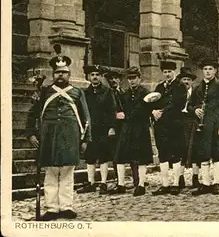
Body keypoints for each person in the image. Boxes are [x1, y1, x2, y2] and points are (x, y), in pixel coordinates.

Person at [26, 54, 91, 221]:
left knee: (68, 173)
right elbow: (32, 114)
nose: (60, 75)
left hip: (70, 139)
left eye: (64, 72)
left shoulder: (77, 93)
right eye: (57, 73)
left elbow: (86, 118)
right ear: (53, 74)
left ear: (69, 74)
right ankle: (52, 208)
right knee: (51, 174)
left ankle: (66, 207)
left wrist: (85, 139)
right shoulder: (44, 92)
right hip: (49, 139)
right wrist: (31, 133)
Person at [189, 59, 219, 196]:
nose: (207, 71)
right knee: (203, 154)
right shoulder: (197, 88)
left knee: (217, 154)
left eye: (210, 69)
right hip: (202, 127)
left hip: (216, 125)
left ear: (215, 71)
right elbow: (189, 105)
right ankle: (206, 183)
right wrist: (195, 110)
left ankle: (216, 183)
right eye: (205, 69)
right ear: (202, 71)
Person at [109, 67, 153, 197]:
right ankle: (121, 185)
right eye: (129, 78)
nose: (132, 81)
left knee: (141, 158)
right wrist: (118, 115)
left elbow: (149, 109)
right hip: (127, 127)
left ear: (139, 79)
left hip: (141, 127)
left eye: (134, 78)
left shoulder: (146, 94)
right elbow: (118, 109)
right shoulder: (124, 94)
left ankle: (140, 185)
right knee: (121, 155)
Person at [77, 65, 116, 195]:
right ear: (88, 77)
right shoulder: (84, 93)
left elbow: (112, 110)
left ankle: (104, 182)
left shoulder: (107, 91)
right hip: (90, 129)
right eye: (92, 74)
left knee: (103, 156)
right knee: (90, 156)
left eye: (97, 75)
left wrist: (112, 127)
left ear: (100, 77)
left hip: (103, 128)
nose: (95, 77)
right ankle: (91, 182)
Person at [150, 61, 187, 196]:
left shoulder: (180, 87)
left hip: (174, 124)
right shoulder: (159, 87)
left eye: (169, 72)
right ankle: (165, 184)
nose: (167, 74)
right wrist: (153, 111)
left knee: (176, 153)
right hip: (160, 125)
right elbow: (151, 101)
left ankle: (176, 184)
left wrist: (162, 112)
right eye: (165, 72)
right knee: (163, 153)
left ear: (174, 72)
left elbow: (178, 104)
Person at [178, 67, 201, 189]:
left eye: (188, 79)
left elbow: (199, 105)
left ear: (192, 81)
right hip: (180, 123)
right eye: (184, 79)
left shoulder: (197, 92)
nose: (186, 82)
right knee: (182, 150)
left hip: (193, 123)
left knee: (195, 150)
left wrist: (194, 110)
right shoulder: (177, 92)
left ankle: (195, 178)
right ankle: (180, 178)